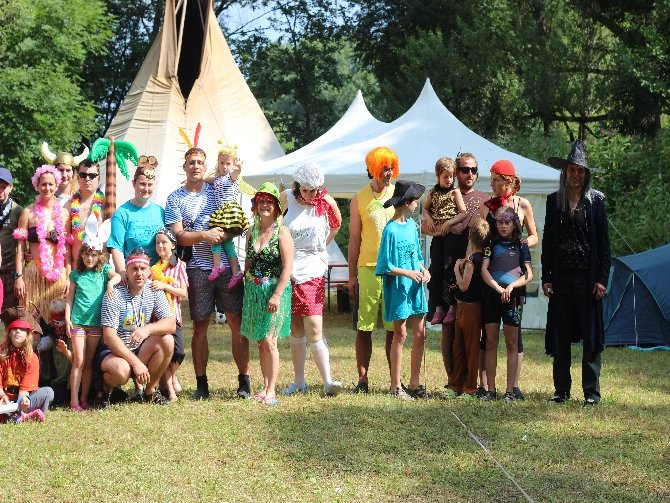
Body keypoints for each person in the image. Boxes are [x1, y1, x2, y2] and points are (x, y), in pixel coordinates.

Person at [165, 147, 249, 399]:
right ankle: (201, 384)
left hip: (227, 267)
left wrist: (223, 235)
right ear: (184, 166)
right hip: (197, 269)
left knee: (236, 322)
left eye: (200, 162)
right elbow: (178, 236)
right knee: (200, 326)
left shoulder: (218, 189)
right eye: (191, 162)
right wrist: (204, 235)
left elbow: (236, 221)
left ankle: (244, 381)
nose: (195, 166)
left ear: (205, 165)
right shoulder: (174, 198)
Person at [543, 139, 611, 406]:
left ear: (585, 174)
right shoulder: (554, 202)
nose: (576, 174)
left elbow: (604, 246)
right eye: (572, 169)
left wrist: (602, 279)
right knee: (561, 335)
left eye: (580, 170)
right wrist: (547, 277)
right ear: (565, 172)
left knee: (590, 335)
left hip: (587, 278)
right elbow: (547, 243)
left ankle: (591, 393)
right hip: (561, 279)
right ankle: (561, 390)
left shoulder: (596, 202)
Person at [280, 163, 343, 397]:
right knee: (295, 326)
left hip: (313, 269)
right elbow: (273, 223)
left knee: (314, 326)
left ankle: (328, 381)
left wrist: (320, 247)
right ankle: (299, 382)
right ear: (298, 186)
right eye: (305, 190)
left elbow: (336, 224)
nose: (309, 194)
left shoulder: (326, 202)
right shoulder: (287, 198)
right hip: (289, 268)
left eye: (314, 190)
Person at [478, 159, 537, 399]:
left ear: (508, 181)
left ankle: (513, 388)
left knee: (514, 336)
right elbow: (479, 239)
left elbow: (534, 236)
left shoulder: (523, 204)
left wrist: (520, 245)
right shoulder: (487, 207)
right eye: (492, 180)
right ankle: (487, 387)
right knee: (489, 336)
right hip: (491, 275)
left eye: (496, 180)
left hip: (515, 276)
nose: (492, 184)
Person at [348, 146, 399, 394]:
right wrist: (351, 276)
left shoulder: (398, 194)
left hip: (393, 270)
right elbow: (354, 239)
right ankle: (362, 380)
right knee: (364, 327)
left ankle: (394, 381)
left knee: (393, 328)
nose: (388, 173)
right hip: (367, 268)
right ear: (373, 169)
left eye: (391, 168)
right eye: (384, 168)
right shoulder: (359, 198)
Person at [98, 248, 175, 406]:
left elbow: (171, 323)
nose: (139, 273)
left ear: (149, 272)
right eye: (134, 269)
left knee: (167, 340)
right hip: (113, 352)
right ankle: (104, 390)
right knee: (121, 371)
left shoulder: (153, 290)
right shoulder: (114, 294)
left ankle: (149, 392)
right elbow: (109, 337)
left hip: (139, 348)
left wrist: (147, 330)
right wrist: (136, 363)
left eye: (143, 269)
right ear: (126, 271)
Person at [375, 180, 430, 399]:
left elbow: (417, 257)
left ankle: (414, 383)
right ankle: (395, 386)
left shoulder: (412, 227)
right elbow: (384, 265)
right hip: (398, 287)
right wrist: (408, 273)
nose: (417, 204)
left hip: (415, 287)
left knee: (420, 333)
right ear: (407, 202)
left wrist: (424, 270)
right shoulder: (390, 230)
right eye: (415, 201)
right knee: (401, 334)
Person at [240, 183, 293, 406]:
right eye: (261, 201)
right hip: (254, 292)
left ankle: (272, 390)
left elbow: (288, 268)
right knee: (261, 341)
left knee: (270, 341)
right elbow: (248, 262)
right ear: (255, 205)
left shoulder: (282, 232)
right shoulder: (251, 231)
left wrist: (277, 295)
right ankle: (264, 387)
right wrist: (243, 280)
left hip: (274, 291)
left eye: (269, 201)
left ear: (277, 207)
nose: (265, 205)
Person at [439, 153, 487, 395]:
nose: (470, 174)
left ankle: (473, 383)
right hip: (448, 268)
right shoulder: (445, 195)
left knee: (474, 334)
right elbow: (429, 226)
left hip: (475, 272)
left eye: (474, 170)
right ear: (456, 172)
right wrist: (445, 225)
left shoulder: (485, 200)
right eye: (465, 170)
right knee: (450, 329)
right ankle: (453, 380)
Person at [64, 217, 121, 411]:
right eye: (87, 254)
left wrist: (111, 283)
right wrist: (67, 318)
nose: (89, 258)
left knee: (88, 363)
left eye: (93, 255)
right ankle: (73, 401)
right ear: (81, 254)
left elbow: (118, 276)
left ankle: (84, 399)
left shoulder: (104, 271)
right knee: (78, 361)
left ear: (99, 256)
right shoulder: (76, 274)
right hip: (78, 322)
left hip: (96, 324)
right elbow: (70, 299)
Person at [13, 165, 71, 327]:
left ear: (56, 185)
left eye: (51, 184)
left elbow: (66, 251)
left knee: (57, 324)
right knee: (31, 323)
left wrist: (68, 278)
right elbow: (20, 249)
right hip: (33, 274)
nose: (47, 188)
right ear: (36, 186)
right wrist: (19, 277)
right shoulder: (28, 212)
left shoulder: (64, 214)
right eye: (43, 184)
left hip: (58, 276)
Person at [422, 157, 467, 325]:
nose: (449, 180)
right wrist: (428, 219)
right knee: (436, 270)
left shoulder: (455, 192)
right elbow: (425, 209)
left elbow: (463, 212)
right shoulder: (433, 193)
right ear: (438, 175)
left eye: (451, 176)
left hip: (451, 237)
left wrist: (449, 223)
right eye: (445, 176)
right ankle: (438, 308)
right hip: (438, 237)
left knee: (449, 269)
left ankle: (452, 306)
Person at [450, 218, 490, 398]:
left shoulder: (471, 261)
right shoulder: (483, 259)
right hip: (471, 307)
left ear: (470, 237)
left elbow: (464, 285)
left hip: (468, 308)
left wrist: (456, 269)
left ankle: (468, 386)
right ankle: (458, 385)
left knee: (466, 348)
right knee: (464, 346)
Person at [150, 227, 188, 402]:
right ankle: (170, 390)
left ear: (173, 245)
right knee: (167, 352)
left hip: (174, 316)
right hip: (158, 318)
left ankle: (170, 378)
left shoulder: (179, 266)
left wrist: (165, 286)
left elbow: (183, 293)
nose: (160, 246)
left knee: (179, 352)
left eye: (164, 242)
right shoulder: (153, 269)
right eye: (157, 243)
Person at [204, 144, 247, 287]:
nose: (224, 166)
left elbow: (236, 174)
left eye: (228, 163)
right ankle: (236, 271)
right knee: (228, 244)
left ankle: (218, 265)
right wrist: (200, 180)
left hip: (228, 213)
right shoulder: (218, 179)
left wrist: (238, 169)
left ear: (233, 165)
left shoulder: (231, 177)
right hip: (222, 213)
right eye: (221, 163)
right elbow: (208, 180)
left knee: (215, 237)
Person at [108, 164, 165, 271]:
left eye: (150, 184)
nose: (146, 188)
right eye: (142, 184)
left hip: (157, 275)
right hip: (132, 274)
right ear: (134, 183)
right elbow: (116, 247)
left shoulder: (161, 212)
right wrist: (123, 273)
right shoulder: (122, 213)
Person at [0, 314, 54, 423]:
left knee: (48, 392)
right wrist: (2, 396)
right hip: (2, 398)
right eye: (14, 328)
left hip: (19, 401)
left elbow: (24, 390)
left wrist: (24, 400)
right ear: (9, 333)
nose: (18, 331)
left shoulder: (32, 358)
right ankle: (20, 417)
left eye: (22, 329)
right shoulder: (1, 353)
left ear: (28, 334)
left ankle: (18, 416)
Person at [65, 159, 104, 264]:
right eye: (83, 175)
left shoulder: (107, 205)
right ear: (78, 178)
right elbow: (65, 242)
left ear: (99, 178)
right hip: (77, 268)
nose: (87, 179)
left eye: (92, 175)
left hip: (99, 268)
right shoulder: (68, 206)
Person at [0, 167, 22, 311]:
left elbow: (23, 241)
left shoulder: (17, 210)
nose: (0, 190)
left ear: (11, 187)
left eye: (4, 187)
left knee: (9, 313)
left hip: (9, 271)